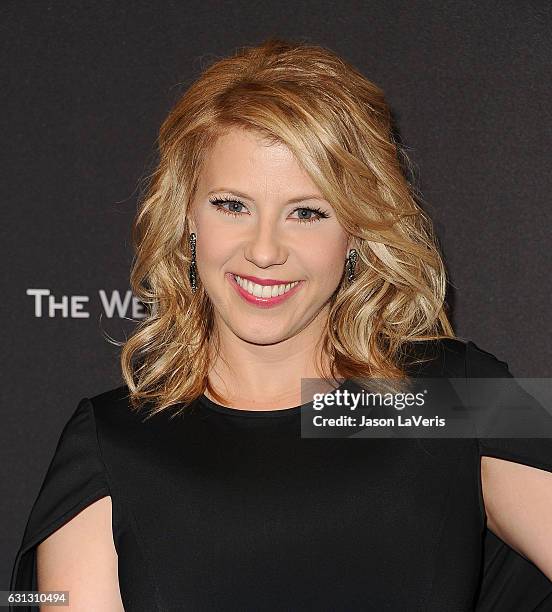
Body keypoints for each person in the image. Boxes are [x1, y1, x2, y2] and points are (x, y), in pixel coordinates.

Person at [10, 37, 552, 611]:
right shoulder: (109, 442)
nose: (264, 250)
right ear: (188, 215)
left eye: (307, 212)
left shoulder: (456, 393)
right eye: (232, 205)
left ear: (356, 233)